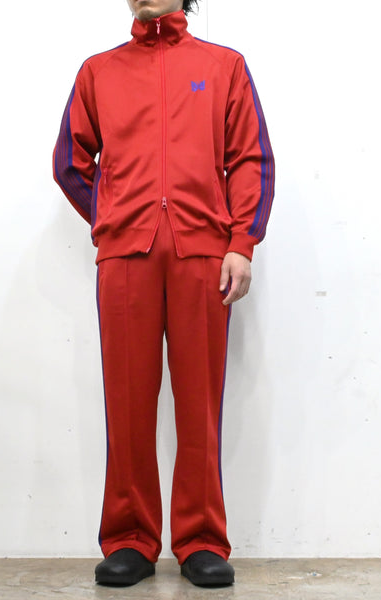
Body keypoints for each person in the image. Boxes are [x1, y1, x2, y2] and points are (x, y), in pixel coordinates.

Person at [53, 0, 274, 587]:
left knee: (200, 401)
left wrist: (241, 242)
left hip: (203, 254)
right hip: (126, 256)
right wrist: (113, 216)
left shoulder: (224, 67)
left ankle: (201, 539)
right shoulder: (99, 72)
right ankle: (130, 538)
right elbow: (70, 161)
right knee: (127, 400)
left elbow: (250, 157)